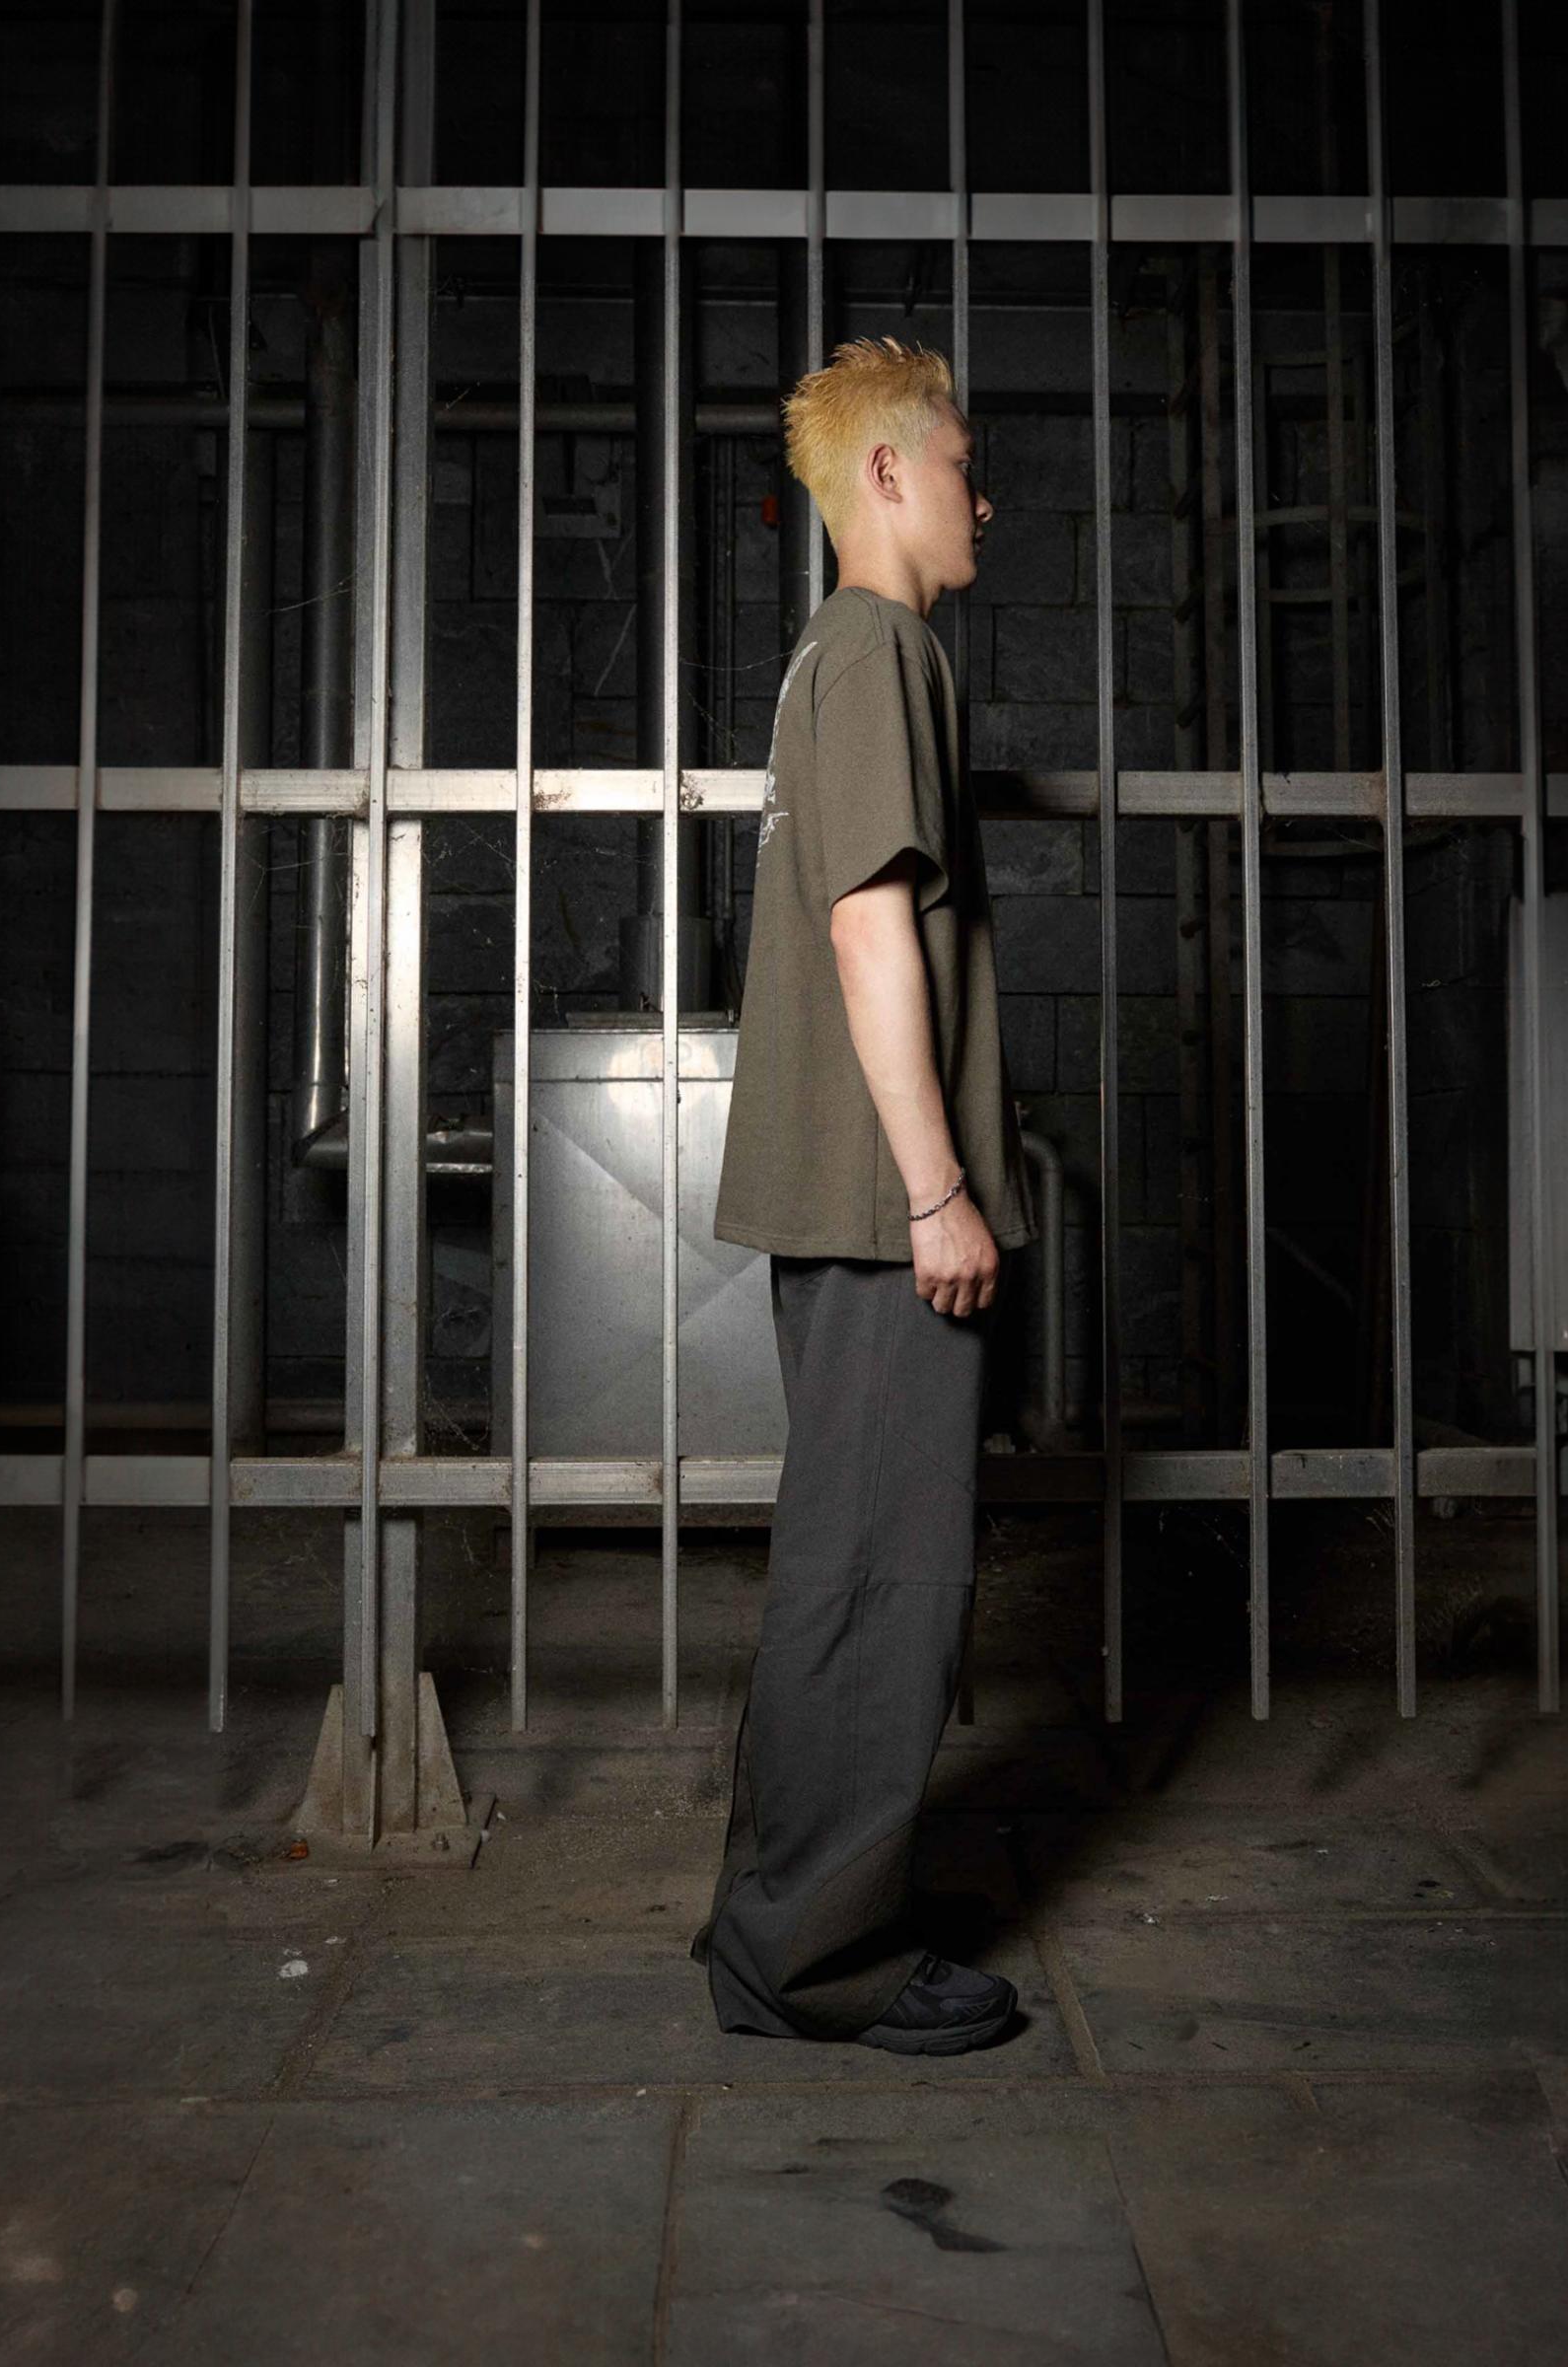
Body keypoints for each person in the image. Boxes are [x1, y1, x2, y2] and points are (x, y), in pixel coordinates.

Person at [693, 334, 1039, 2055]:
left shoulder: (839, 658)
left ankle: (786, 1917)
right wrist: (936, 1190)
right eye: (966, 463)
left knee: (852, 1564)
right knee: (883, 1577)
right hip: (877, 1202)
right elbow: (867, 927)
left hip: (845, 1199)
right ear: (890, 472)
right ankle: (815, 1960)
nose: (987, 497)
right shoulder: (879, 650)